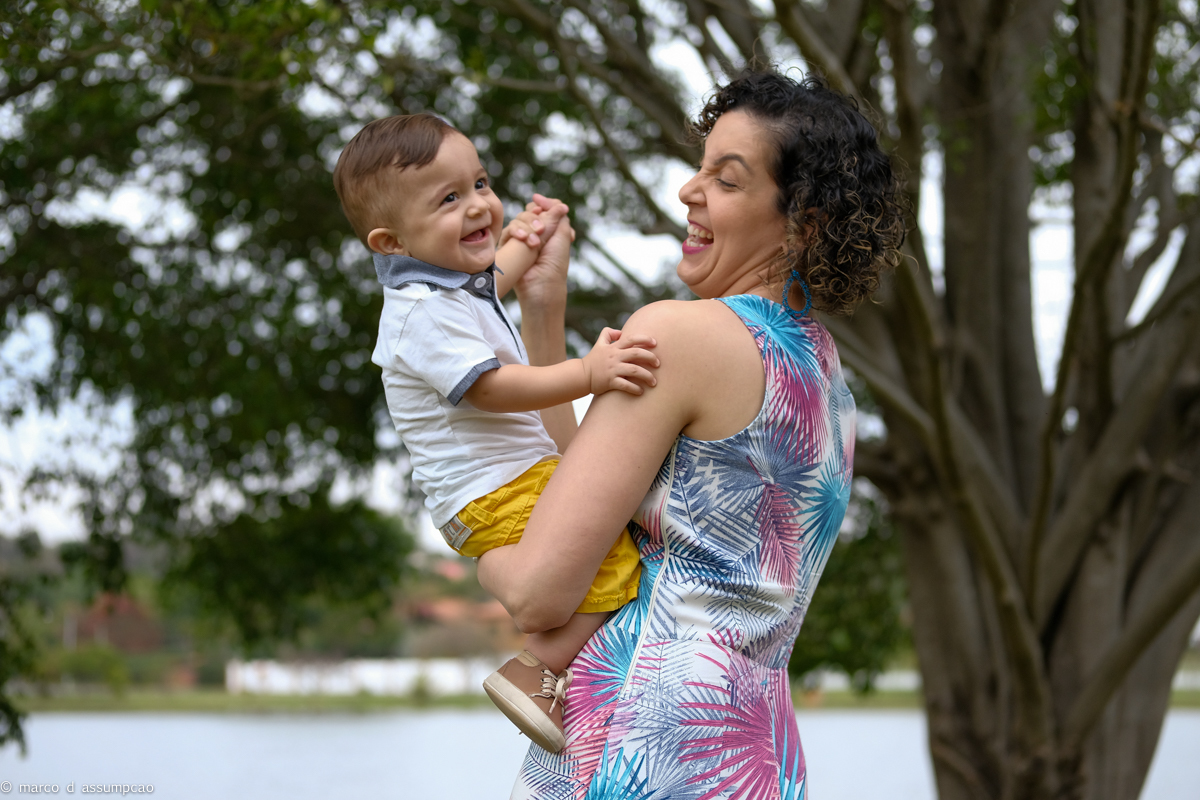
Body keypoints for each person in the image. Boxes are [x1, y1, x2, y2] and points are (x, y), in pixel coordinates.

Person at [475, 69, 906, 797]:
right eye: (701, 168)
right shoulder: (828, 381)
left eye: (726, 180)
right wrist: (545, 312)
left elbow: (539, 595)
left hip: (640, 742)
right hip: (750, 753)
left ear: (803, 224)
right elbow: (598, 491)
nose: (688, 191)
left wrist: (466, 523)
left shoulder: (680, 335)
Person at [332, 113, 659, 753]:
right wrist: (587, 373)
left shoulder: (451, 286)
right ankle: (536, 670)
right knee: (616, 557)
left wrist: (532, 238)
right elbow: (489, 388)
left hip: (505, 483)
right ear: (391, 242)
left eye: (480, 183)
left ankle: (519, 603)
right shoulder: (422, 312)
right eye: (449, 199)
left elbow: (500, 275)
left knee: (604, 530)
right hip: (496, 489)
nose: (479, 205)